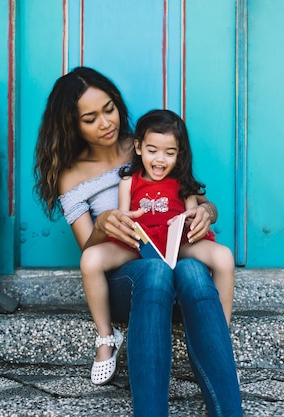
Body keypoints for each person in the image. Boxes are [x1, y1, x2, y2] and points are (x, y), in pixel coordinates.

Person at [34, 66, 242, 416]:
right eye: (90, 118)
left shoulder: (146, 144)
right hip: (130, 281)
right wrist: (103, 224)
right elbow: (89, 249)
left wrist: (209, 211)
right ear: (72, 124)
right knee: (155, 273)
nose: (105, 123)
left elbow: (187, 191)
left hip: (176, 263)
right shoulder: (70, 174)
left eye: (110, 109)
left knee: (192, 270)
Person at [81, 109, 235, 384]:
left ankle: (219, 338)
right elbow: (123, 216)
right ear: (139, 147)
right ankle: (106, 338)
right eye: (152, 150)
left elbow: (195, 218)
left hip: (178, 244)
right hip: (139, 244)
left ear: (180, 153)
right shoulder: (129, 181)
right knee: (90, 259)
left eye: (170, 153)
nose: (160, 160)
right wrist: (123, 222)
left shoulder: (184, 183)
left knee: (224, 257)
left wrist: (197, 219)